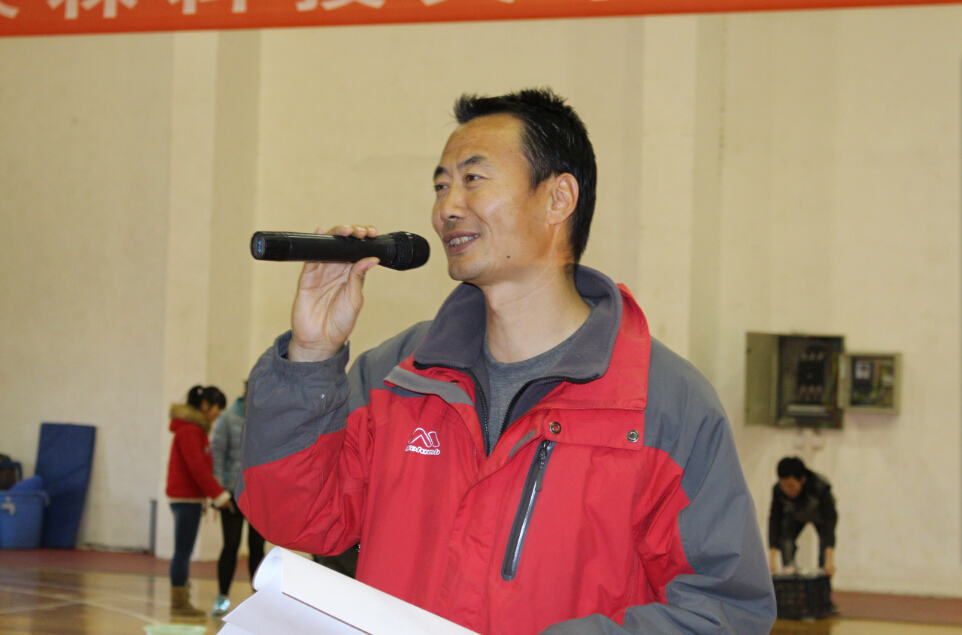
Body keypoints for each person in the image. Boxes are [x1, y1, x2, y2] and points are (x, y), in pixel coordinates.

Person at [237, 89, 776, 635]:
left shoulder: (664, 404)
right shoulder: (399, 376)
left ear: (558, 198)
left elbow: (723, 612)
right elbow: (295, 518)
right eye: (441, 186)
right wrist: (311, 353)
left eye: (473, 179)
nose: (446, 208)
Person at [166, 384, 234, 620]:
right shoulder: (190, 431)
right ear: (205, 405)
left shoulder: (194, 430)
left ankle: (181, 599)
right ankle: (178, 603)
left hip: (189, 499)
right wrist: (219, 495)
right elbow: (198, 469)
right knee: (182, 552)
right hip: (185, 499)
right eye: (217, 408)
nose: (219, 414)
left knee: (183, 551)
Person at [209, 383, 266, 617]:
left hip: (258, 495)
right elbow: (217, 456)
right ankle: (222, 598)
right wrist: (219, 493)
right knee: (230, 546)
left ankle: (258, 601)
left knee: (257, 549)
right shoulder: (227, 419)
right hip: (232, 495)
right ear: (245, 393)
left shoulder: (266, 419)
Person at [768, 456, 838, 576]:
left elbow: (829, 522)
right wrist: (771, 560)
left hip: (820, 517)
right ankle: (790, 575)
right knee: (786, 541)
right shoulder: (778, 490)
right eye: (783, 486)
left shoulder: (820, 487)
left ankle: (822, 580)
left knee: (824, 553)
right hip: (796, 515)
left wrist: (829, 559)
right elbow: (775, 520)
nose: (787, 490)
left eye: (791, 486)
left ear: (802, 480)